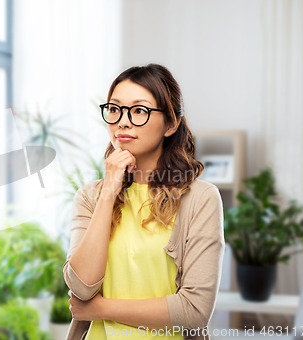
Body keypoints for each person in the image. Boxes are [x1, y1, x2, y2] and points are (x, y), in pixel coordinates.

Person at [63, 64, 225, 340]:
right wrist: (108, 192)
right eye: (114, 109)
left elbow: (195, 310)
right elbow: (81, 287)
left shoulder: (200, 198)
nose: (122, 121)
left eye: (139, 110)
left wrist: (100, 308)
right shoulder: (90, 197)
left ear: (171, 124)